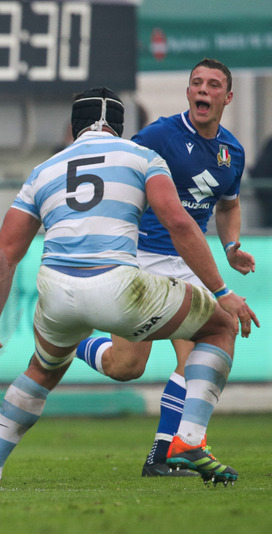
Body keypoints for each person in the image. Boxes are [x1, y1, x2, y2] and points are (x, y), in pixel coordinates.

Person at [0, 87, 258, 494]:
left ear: (72, 128)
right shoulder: (142, 157)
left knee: (42, 370)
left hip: (57, 293)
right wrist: (222, 290)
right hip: (118, 286)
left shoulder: (43, 170)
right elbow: (177, 222)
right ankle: (189, 439)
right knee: (219, 326)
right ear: (121, 129)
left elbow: (2, 259)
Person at [73, 59, 255, 477]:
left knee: (206, 346)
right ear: (188, 92)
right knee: (127, 366)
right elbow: (118, 173)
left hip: (189, 262)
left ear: (227, 98)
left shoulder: (233, 152)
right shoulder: (158, 135)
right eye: (196, 83)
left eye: (212, 85)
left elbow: (229, 203)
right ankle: (74, 341)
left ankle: (170, 452)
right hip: (143, 258)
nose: (202, 91)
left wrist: (230, 247)